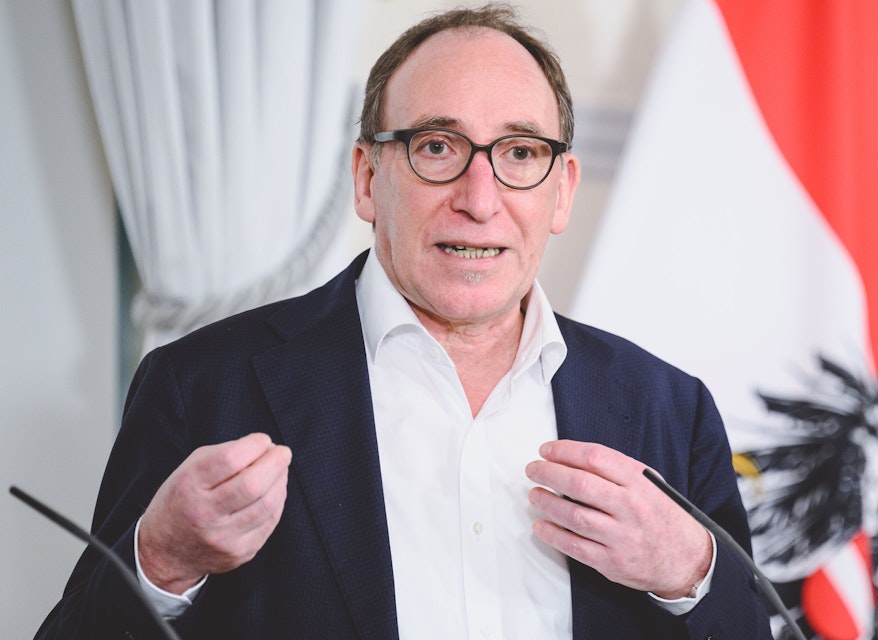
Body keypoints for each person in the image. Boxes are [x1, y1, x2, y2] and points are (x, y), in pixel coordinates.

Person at [36, 4, 770, 639]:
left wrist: (689, 572)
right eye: (437, 148)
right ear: (367, 177)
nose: (479, 199)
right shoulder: (202, 386)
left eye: (520, 152)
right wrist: (161, 560)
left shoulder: (669, 410)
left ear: (561, 190)